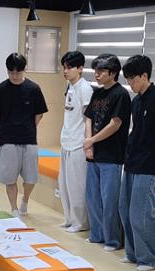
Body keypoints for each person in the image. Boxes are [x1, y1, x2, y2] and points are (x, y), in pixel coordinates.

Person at [120, 55, 155, 271]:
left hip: (149, 163)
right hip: (132, 160)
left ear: (144, 76)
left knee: (140, 212)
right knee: (124, 209)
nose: (130, 84)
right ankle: (132, 253)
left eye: (132, 79)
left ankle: (149, 258)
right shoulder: (136, 101)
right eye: (127, 79)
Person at [0, 52, 48, 216]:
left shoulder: (33, 89)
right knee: (10, 178)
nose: (14, 76)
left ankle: (25, 200)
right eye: (11, 72)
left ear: (24, 70)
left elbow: (39, 113)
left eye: (18, 72)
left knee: (31, 178)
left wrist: (29, 127)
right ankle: (14, 208)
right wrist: (7, 129)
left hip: (29, 138)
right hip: (8, 140)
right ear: (7, 71)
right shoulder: (0, 90)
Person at [83, 53, 130, 252]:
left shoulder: (121, 95)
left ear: (113, 73)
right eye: (96, 70)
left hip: (112, 155)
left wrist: (92, 140)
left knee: (109, 199)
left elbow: (115, 124)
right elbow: (88, 118)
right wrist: (89, 143)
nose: (97, 74)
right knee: (92, 197)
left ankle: (112, 240)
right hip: (94, 154)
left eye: (101, 71)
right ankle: (96, 234)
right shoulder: (97, 93)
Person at [58, 50, 94, 233]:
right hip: (66, 140)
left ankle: (81, 222)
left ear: (80, 68)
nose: (66, 71)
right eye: (64, 67)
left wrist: (88, 142)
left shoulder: (85, 88)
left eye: (70, 67)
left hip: (78, 143)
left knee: (77, 185)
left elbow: (89, 118)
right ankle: (69, 218)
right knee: (64, 185)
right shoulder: (70, 86)